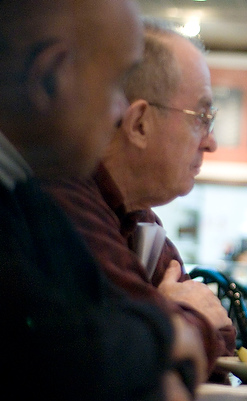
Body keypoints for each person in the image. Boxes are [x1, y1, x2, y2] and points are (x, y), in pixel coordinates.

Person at [0, 1, 208, 400]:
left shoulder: (27, 199)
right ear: (50, 78)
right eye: (116, 84)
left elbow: (91, 331)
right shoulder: (36, 200)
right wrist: (168, 333)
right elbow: (61, 357)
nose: (120, 112)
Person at [43, 20, 236, 381]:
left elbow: (217, 336)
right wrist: (176, 318)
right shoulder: (67, 202)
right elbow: (136, 360)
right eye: (202, 117)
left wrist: (176, 321)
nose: (210, 143)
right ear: (140, 124)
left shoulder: (141, 222)